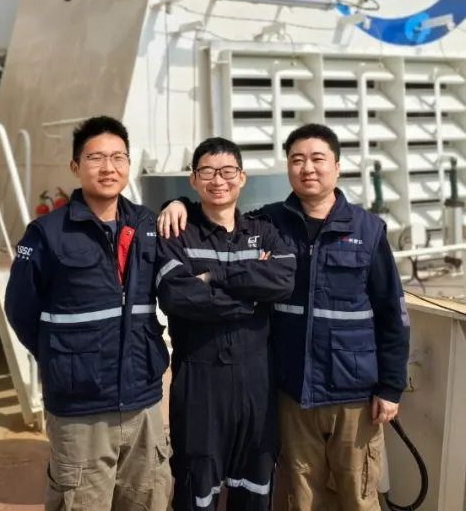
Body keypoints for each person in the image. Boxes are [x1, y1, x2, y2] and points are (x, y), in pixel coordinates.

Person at [158, 123, 409, 511]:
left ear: (337, 167)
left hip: (353, 392)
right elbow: (218, 210)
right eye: (297, 160)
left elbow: (392, 311)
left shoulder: (368, 229)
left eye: (317, 159)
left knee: (358, 496)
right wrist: (177, 203)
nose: (308, 168)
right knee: (302, 498)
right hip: (291, 390)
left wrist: (391, 386)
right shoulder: (271, 221)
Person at [5, 116, 172, 511]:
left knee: (150, 498)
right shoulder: (47, 233)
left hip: (143, 401)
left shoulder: (148, 224)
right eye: (96, 158)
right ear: (75, 166)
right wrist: (65, 358)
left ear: (128, 164)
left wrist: (178, 202)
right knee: (81, 501)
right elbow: (21, 310)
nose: (108, 167)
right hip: (80, 408)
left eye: (118, 157)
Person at [156, 137, 296, 510]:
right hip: (200, 381)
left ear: (242, 178)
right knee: (196, 483)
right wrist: (251, 298)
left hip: (257, 382)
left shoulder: (264, 231)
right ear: (193, 179)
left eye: (228, 171)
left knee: (255, 481)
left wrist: (214, 277)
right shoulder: (176, 232)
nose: (218, 180)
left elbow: (283, 281)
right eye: (208, 172)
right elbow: (177, 296)